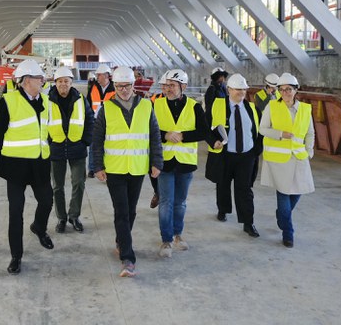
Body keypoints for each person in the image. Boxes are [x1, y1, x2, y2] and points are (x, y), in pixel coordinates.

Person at [92, 66, 163, 278]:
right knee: (121, 211)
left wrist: (156, 162)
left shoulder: (146, 106)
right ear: (114, 86)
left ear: (134, 85)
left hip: (138, 167)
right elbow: (97, 141)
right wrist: (97, 166)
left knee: (131, 211)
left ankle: (121, 241)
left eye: (127, 85)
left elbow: (154, 136)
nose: (123, 90)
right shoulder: (106, 108)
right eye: (119, 86)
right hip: (114, 169)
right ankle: (128, 258)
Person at [0, 59, 53, 275]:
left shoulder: (46, 101)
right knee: (15, 211)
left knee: (47, 201)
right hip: (16, 166)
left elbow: (47, 131)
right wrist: (4, 159)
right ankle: (16, 256)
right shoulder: (9, 101)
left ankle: (39, 227)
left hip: (40, 163)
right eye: (38, 77)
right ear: (26, 81)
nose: (42, 80)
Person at [154, 70, 208, 256]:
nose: (168, 89)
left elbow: (203, 132)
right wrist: (165, 135)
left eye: (173, 85)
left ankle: (178, 234)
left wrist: (183, 136)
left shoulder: (194, 106)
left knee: (180, 202)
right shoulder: (156, 104)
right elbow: (149, 130)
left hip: (185, 163)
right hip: (164, 162)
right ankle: (166, 240)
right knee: (166, 202)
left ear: (183, 87)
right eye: (166, 85)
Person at [259, 72, 315, 248]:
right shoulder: (271, 107)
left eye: (288, 89)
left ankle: (282, 216)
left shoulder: (305, 109)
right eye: (282, 90)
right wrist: (280, 134)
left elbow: (310, 132)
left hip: (299, 157)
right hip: (279, 159)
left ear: (296, 90)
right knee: (283, 193)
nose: (285, 93)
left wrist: (309, 151)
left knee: (298, 191)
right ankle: (288, 232)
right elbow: (262, 129)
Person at [205, 73, 262, 238]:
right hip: (225, 155)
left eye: (244, 89)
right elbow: (205, 126)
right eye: (238, 89)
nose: (242, 92)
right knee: (223, 184)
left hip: (246, 155)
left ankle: (248, 222)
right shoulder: (217, 105)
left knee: (244, 189)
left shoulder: (252, 108)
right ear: (228, 89)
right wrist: (212, 141)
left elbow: (259, 132)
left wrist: (255, 151)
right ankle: (223, 210)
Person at [47, 66, 95, 233]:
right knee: (57, 187)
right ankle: (61, 218)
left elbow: (90, 119)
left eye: (66, 81)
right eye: (60, 81)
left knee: (78, 184)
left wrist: (85, 141)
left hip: (77, 148)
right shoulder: (47, 100)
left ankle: (74, 216)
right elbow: (42, 123)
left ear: (71, 82)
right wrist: (49, 142)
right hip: (57, 148)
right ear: (55, 83)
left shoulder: (81, 99)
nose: (63, 84)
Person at [86, 64, 115, 178]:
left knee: (108, 145)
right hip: (95, 119)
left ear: (107, 76)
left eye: (100, 75)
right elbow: (88, 102)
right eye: (97, 75)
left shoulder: (114, 88)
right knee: (94, 145)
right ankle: (92, 168)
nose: (97, 77)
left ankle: (107, 167)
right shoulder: (94, 87)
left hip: (110, 120)